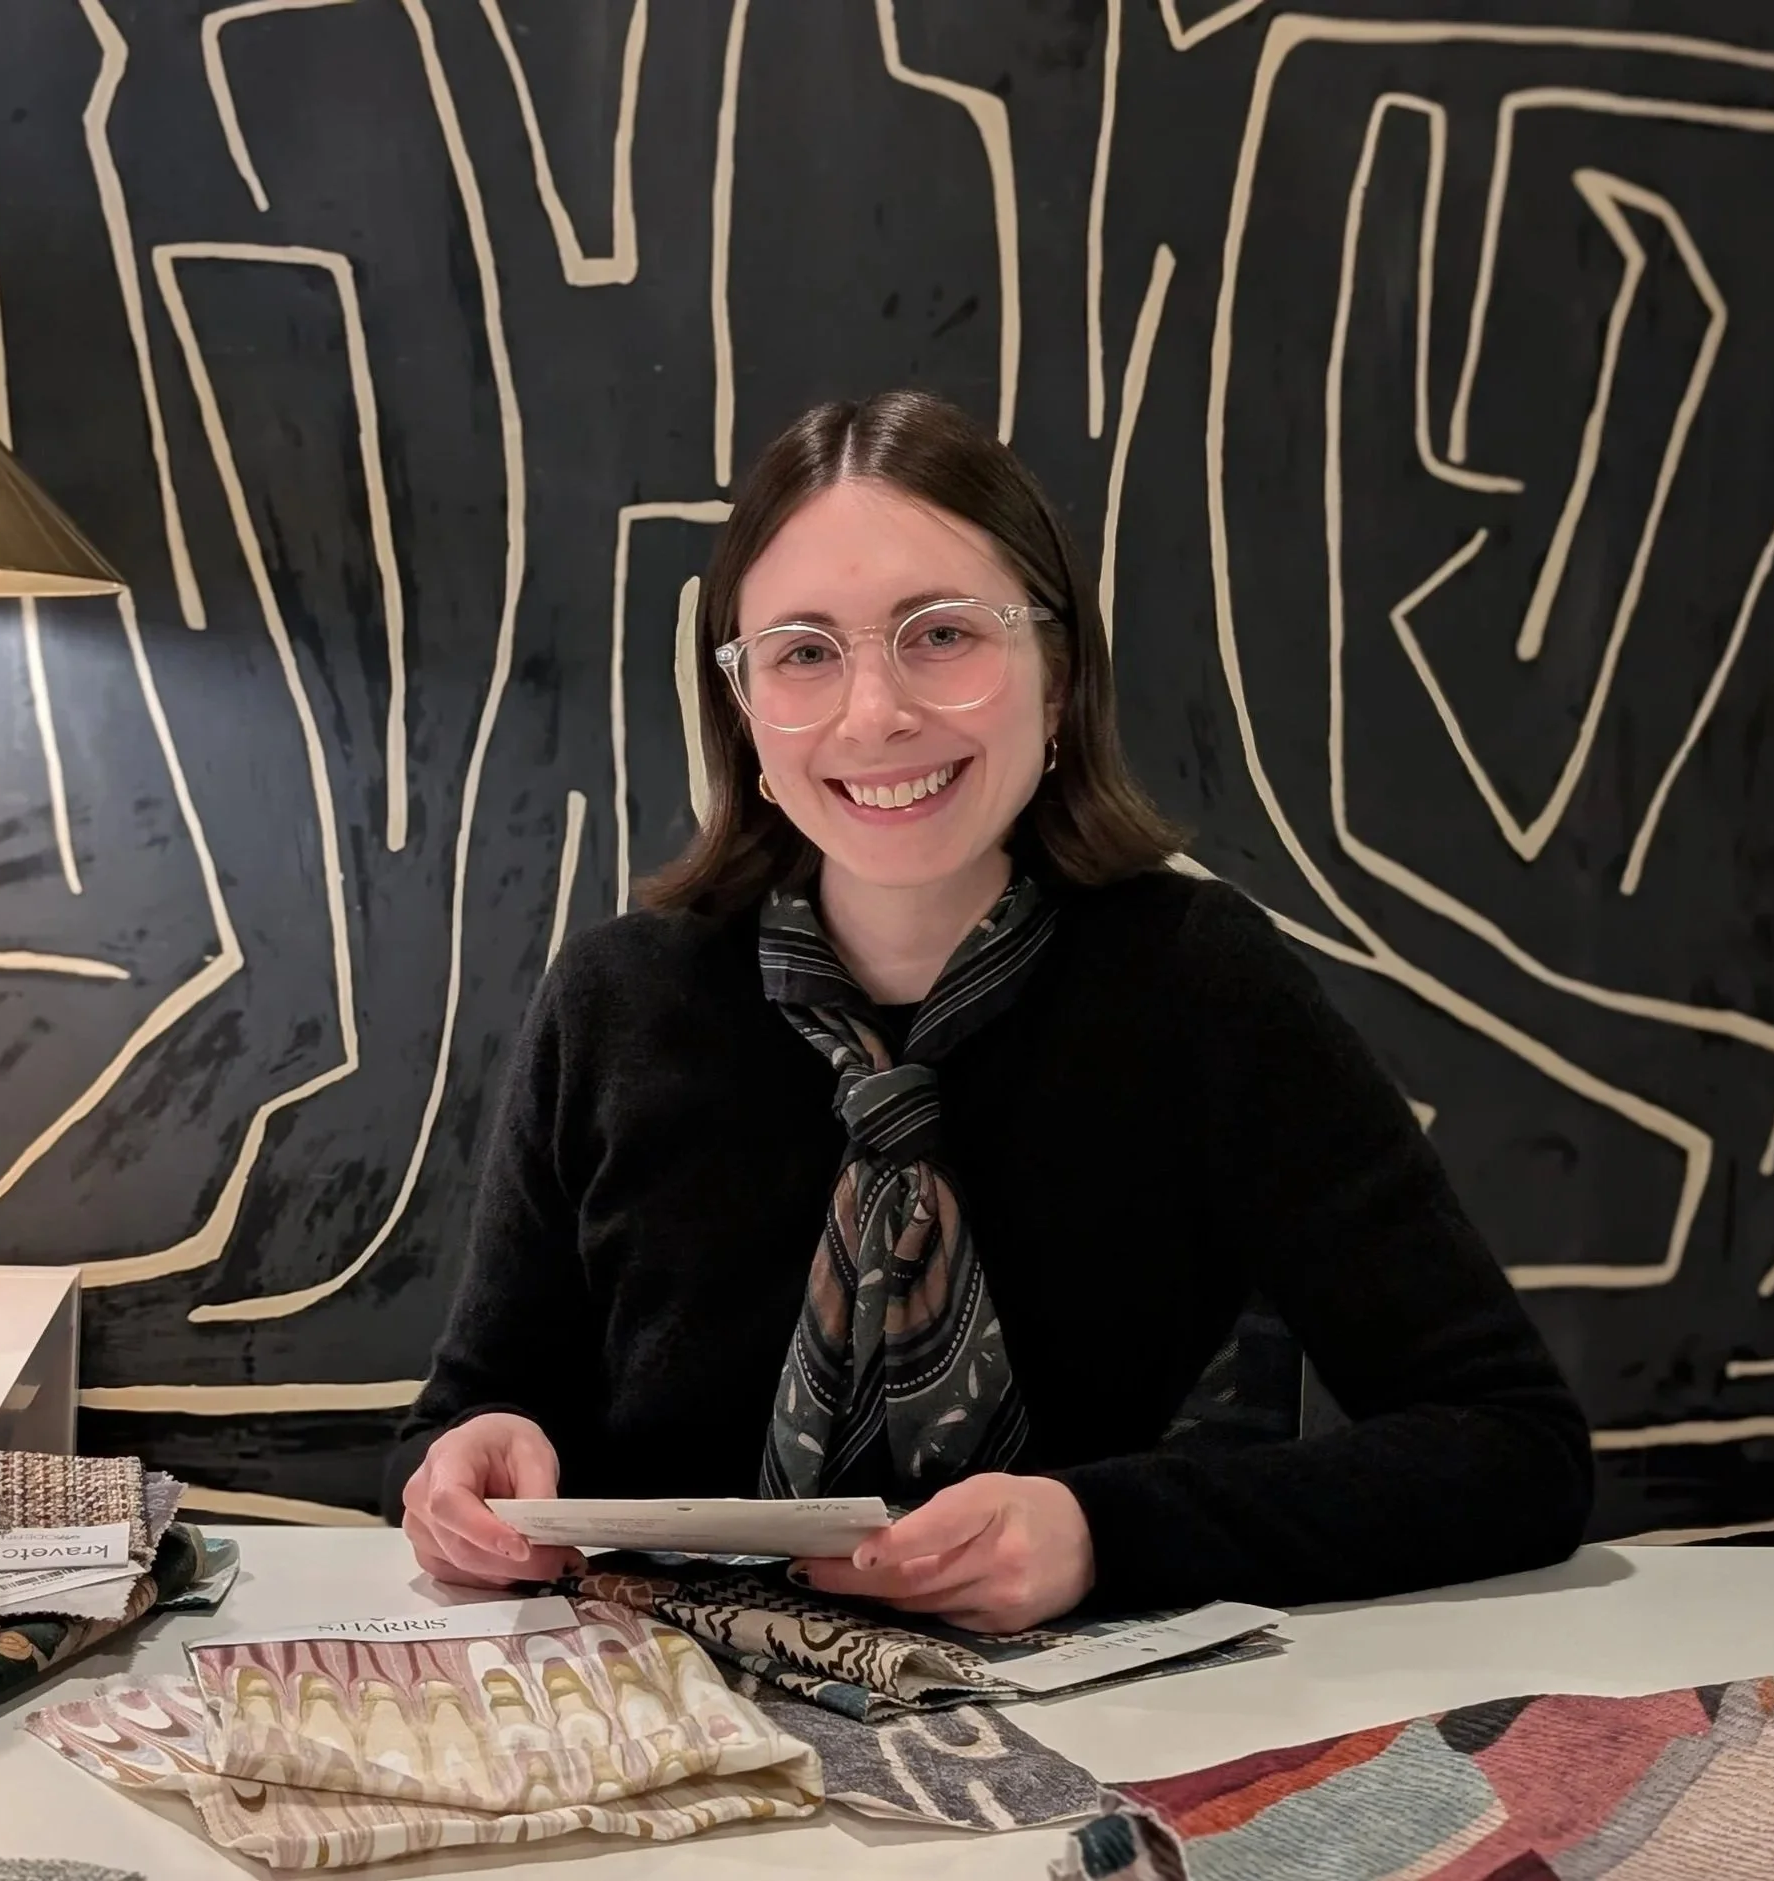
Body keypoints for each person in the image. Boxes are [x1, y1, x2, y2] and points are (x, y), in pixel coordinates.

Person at [386, 390, 1593, 1632]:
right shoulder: (615, 1005)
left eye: (942, 634)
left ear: (1058, 676)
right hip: (653, 1738)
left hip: (1129, 1755)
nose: (874, 714)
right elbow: (467, 1416)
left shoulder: (1204, 986)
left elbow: (1512, 1448)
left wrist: (1099, 1534)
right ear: (744, 715)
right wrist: (468, 1464)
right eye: (804, 653)